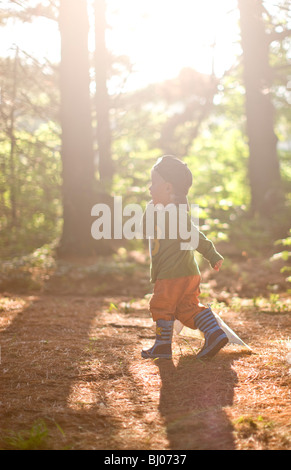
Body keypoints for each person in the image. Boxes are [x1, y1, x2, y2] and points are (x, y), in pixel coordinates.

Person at [141, 155, 228, 360]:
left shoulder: (175, 214)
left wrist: (211, 253)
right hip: (188, 273)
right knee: (186, 308)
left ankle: (162, 346)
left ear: (168, 188)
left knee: (161, 305)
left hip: (171, 274)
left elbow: (194, 235)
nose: (149, 188)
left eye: (154, 183)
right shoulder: (166, 212)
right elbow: (146, 230)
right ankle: (214, 333)